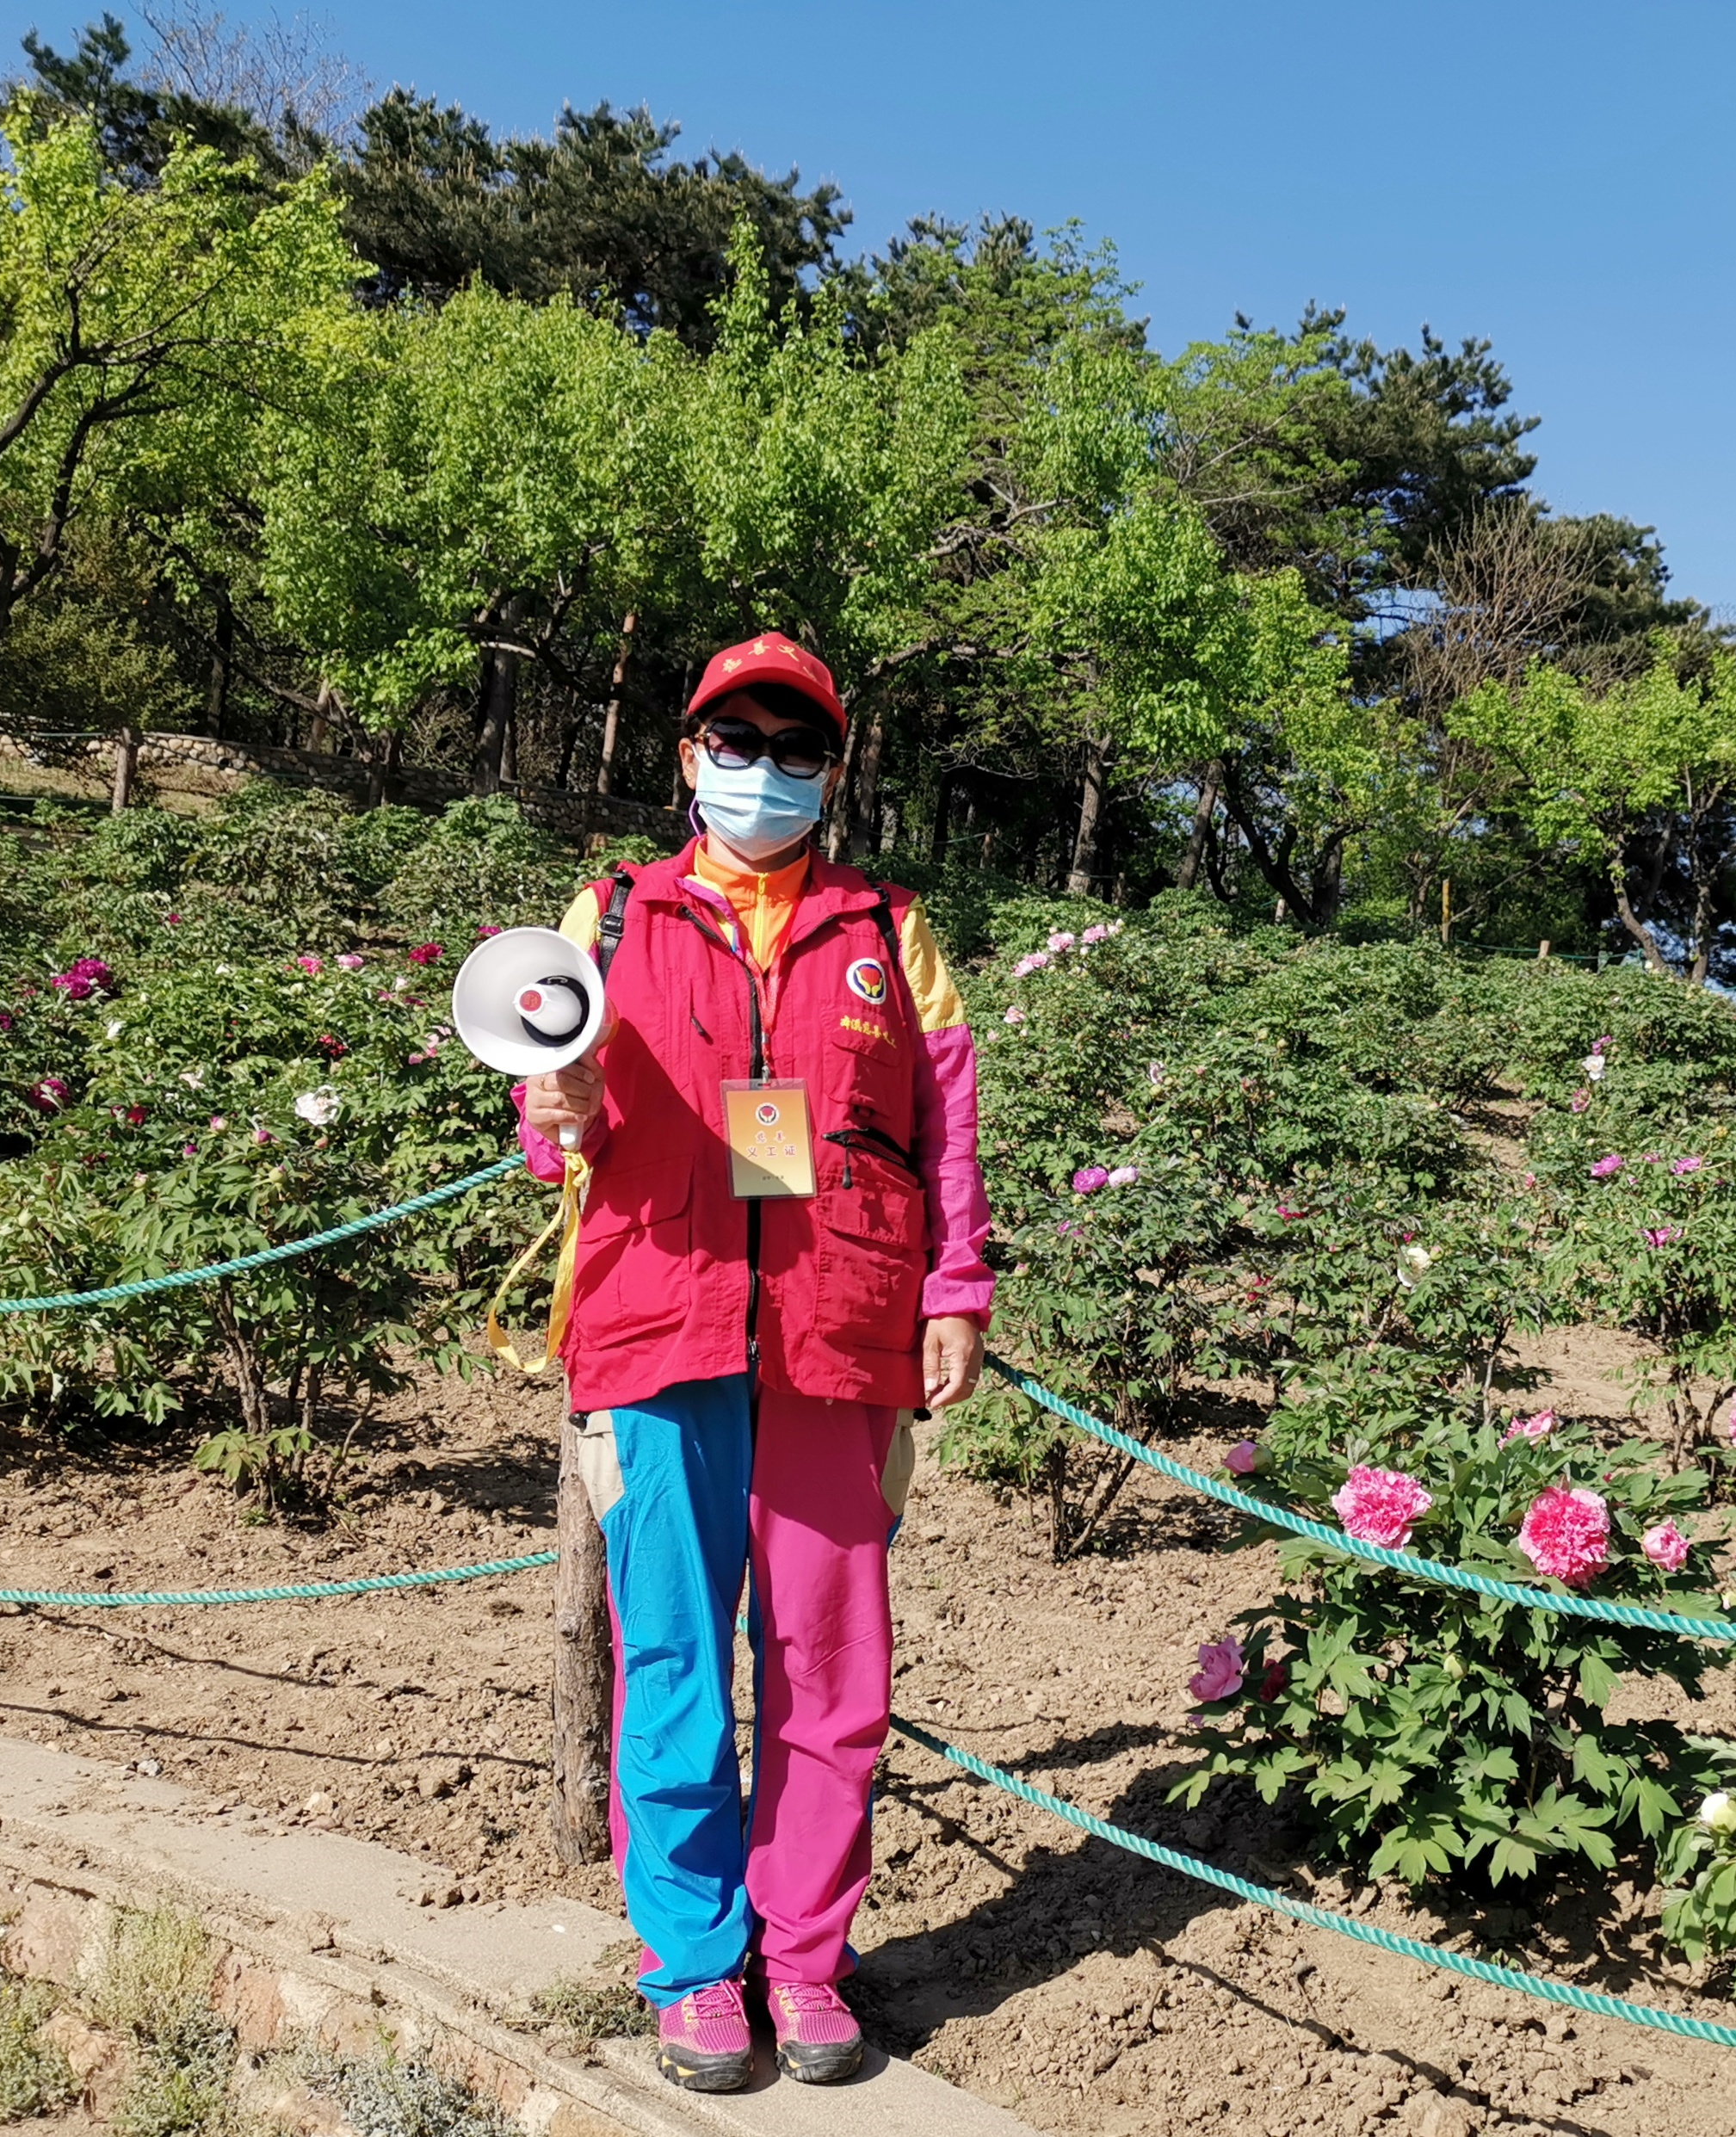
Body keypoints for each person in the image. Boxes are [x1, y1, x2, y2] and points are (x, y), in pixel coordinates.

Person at [514, 632, 992, 2091]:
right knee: (670, 1657)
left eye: (797, 748)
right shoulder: (608, 914)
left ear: (833, 771)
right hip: (659, 1324)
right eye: (738, 743)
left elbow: (948, 1121)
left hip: (840, 1339)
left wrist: (955, 1287)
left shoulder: (890, 930)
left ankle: (805, 1953)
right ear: (687, 756)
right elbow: (550, 1138)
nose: (764, 772)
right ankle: (697, 1963)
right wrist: (565, 1101)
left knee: (831, 1666)